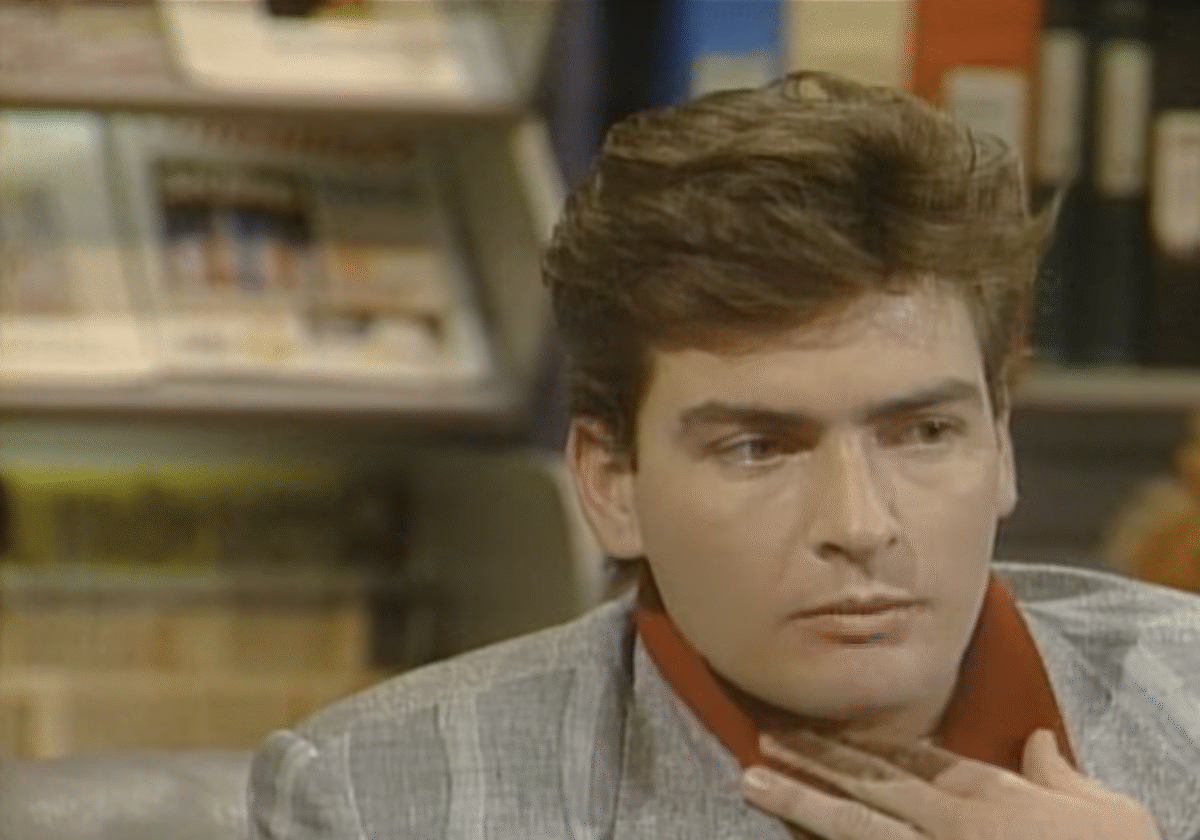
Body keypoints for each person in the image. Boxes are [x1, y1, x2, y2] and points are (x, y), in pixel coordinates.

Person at [248, 71, 1200, 840]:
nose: (860, 526)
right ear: (610, 482)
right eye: (757, 449)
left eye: (924, 433)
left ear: (1002, 443)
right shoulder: (378, 802)